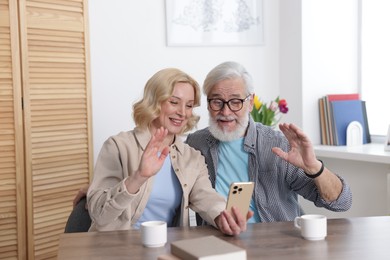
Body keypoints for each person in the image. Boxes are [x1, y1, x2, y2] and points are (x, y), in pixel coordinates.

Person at [86, 68, 252, 235]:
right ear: (154, 102)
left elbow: (206, 197)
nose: (182, 112)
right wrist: (138, 177)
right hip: (116, 248)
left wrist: (223, 217)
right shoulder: (118, 146)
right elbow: (99, 216)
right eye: (174, 102)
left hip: (164, 249)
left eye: (188, 105)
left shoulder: (191, 157)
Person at [186, 61, 352, 223]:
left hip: (275, 242)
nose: (226, 111)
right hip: (217, 241)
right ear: (208, 104)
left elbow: (341, 203)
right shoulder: (195, 143)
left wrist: (314, 167)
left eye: (236, 102)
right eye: (217, 101)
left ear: (250, 103)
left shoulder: (278, 144)